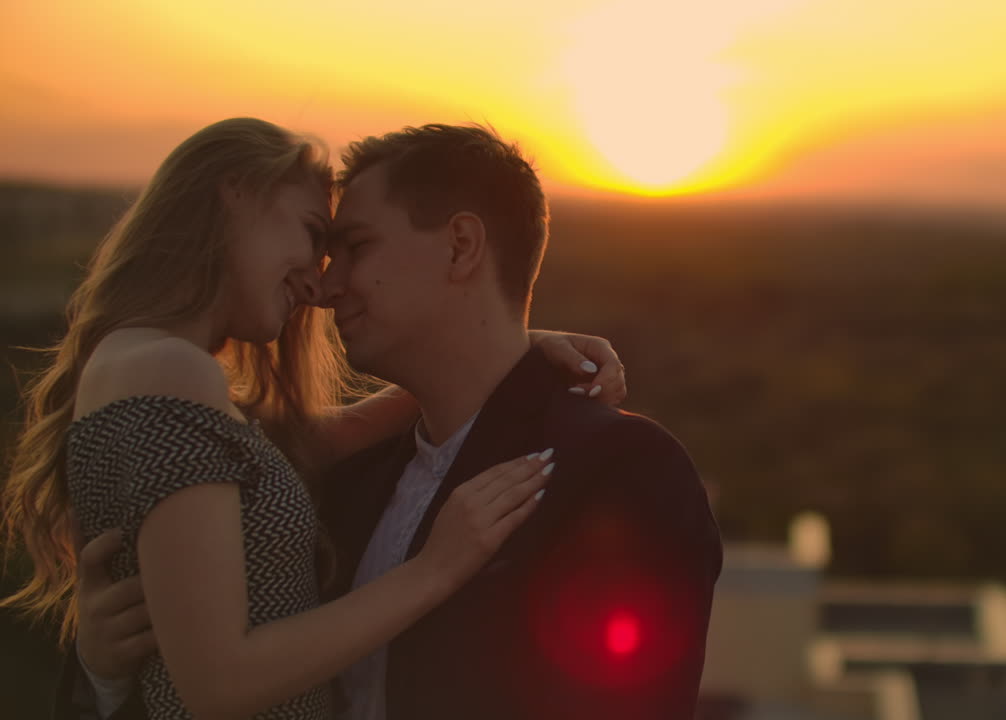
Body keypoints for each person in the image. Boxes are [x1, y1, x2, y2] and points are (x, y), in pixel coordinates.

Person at [75, 122, 722, 719]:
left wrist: (523, 348)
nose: (325, 288)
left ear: (462, 246)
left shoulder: (616, 472)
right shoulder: (342, 482)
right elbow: (211, 663)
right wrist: (102, 672)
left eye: (354, 246)